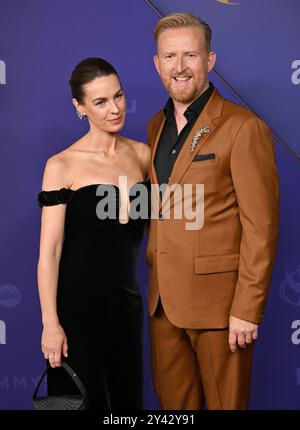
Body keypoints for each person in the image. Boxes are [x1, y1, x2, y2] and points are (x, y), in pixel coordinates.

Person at [145, 13, 279, 410]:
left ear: (211, 60)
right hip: (163, 306)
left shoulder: (242, 126)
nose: (179, 66)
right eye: (170, 56)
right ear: (157, 64)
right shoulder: (155, 126)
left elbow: (262, 225)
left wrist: (247, 309)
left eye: (190, 55)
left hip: (222, 310)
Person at [37, 57, 150, 410]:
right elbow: (50, 252)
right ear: (80, 107)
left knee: (126, 405)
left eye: (118, 96)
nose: (115, 109)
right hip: (76, 314)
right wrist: (51, 324)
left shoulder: (143, 155)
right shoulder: (61, 165)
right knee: (81, 404)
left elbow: (163, 231)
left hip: (125, 309)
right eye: (100, 102)